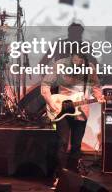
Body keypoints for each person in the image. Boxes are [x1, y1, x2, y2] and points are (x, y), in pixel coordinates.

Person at [41, 52, 104, 187]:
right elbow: (45, 85)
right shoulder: (60, 64)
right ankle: (59, 176)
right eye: (76, 58)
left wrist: (99, 95)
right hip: (60, 108)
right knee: (62, 143)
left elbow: (96, 87)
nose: (78, 61)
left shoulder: (89, 68)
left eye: (81, 59)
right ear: (71, 55)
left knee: (76, 145)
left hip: (81, 111)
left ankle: (73, 178)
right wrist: (51, 103)